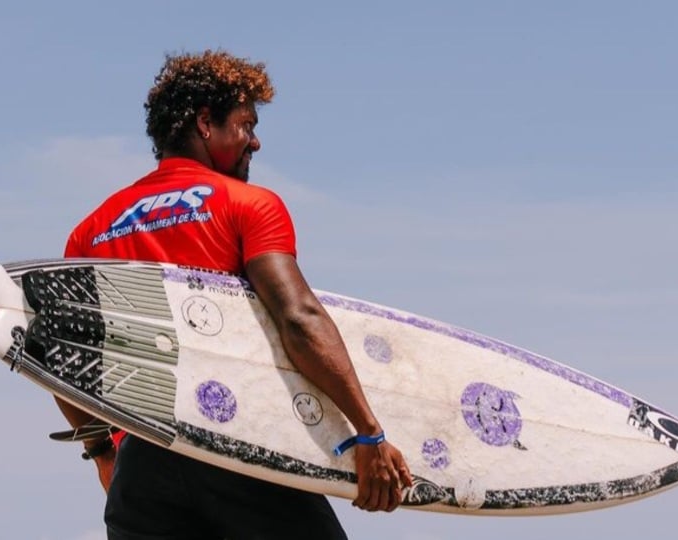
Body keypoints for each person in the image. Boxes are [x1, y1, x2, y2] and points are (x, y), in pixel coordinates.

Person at [59, 49, 413, 539]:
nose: (255, 141)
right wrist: (367, 433)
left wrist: (103, 452)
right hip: (235, 440)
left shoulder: (91, 232)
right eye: (245, 125)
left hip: (143, 463)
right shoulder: (248, 205)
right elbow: (298, 318)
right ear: (206, 123)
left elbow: (64, 352)